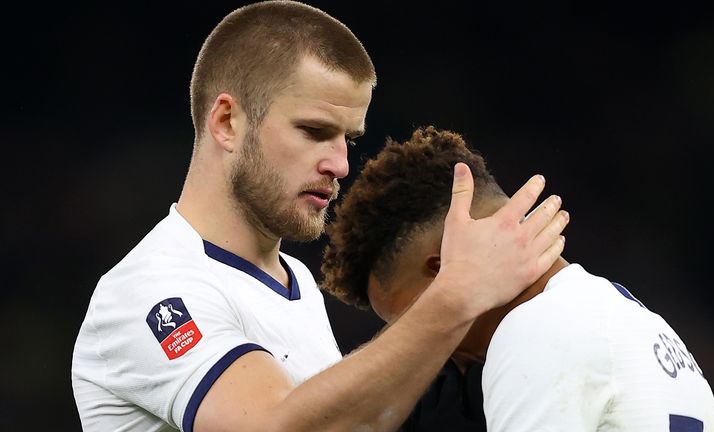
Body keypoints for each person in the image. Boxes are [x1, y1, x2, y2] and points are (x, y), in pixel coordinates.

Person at [71, 2, 570, 431]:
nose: (341, 164)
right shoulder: (148, 290)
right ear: (227, 122)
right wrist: (458, 293)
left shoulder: (298, 284)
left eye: (348, 139)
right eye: (313, 131)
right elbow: (272, 424)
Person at [322, 126, 714, 432]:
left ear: (444, 265)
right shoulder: (641, 321)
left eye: (414, 318)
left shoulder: (534, 332)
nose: (436, 354)